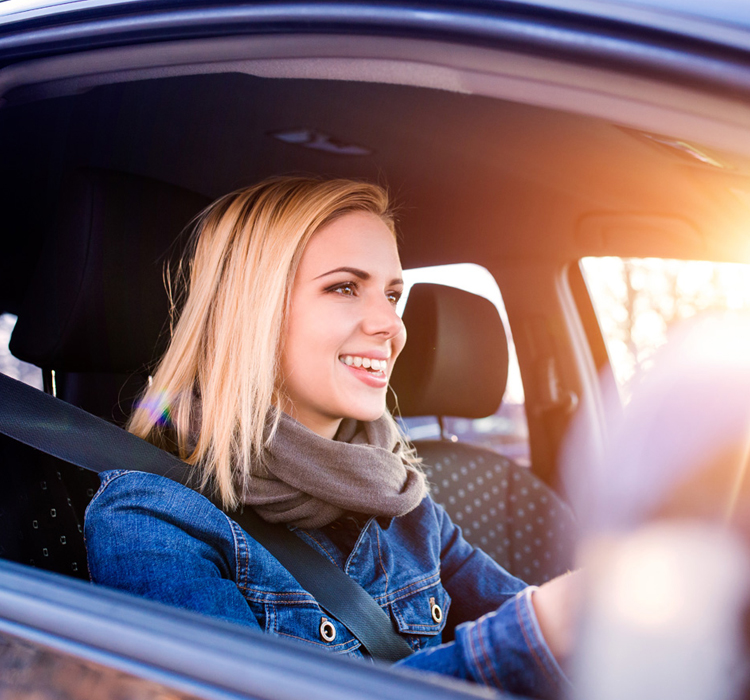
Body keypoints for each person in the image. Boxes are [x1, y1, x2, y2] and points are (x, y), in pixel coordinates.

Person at [84, 176, 576, 699]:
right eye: (344, 287)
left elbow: (559, 633)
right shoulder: (153, 520)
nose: (391, 323)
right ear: (255, 313)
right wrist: (534, 633)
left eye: (392, 295)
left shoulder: (401, 502)